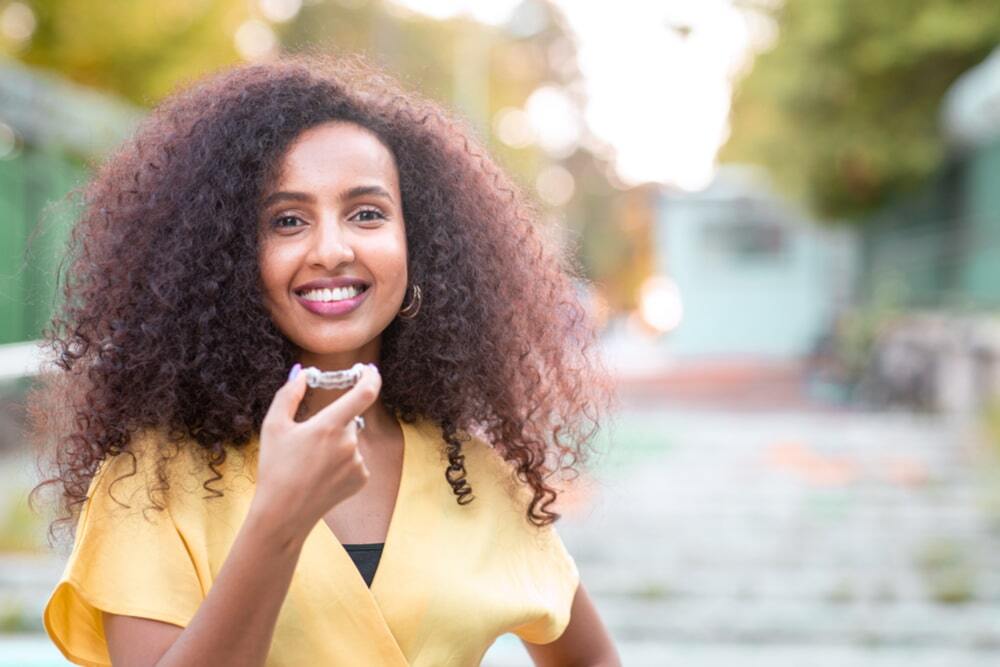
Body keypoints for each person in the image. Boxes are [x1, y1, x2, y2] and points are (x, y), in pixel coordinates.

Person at [30, 52, 620, 666]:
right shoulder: (148, 478)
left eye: (367, 214)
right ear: (227, 258)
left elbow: (594, 658)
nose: (331, 250)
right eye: (287, 221)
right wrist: (279, 521)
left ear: (418, 246)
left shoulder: (477, 473)